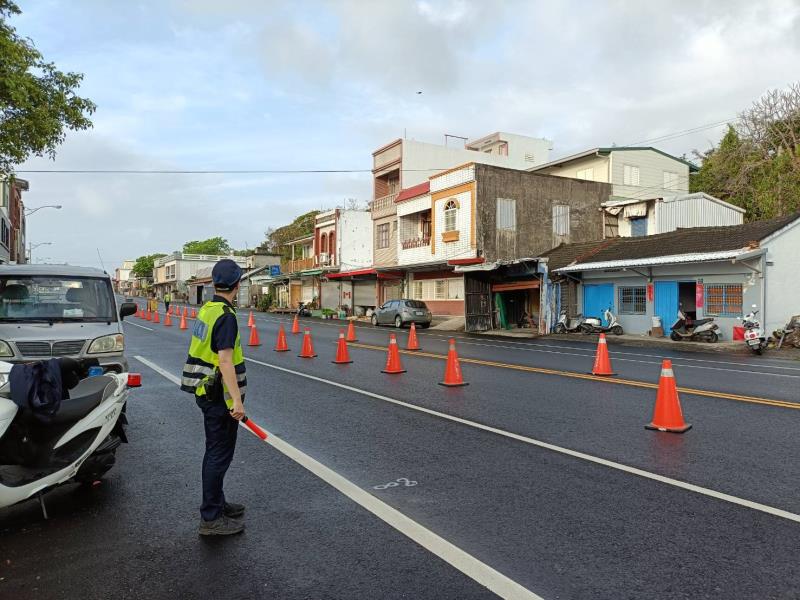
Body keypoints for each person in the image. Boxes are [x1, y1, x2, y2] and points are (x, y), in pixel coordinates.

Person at [181, 259, 248, 536]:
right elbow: (224, 361)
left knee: (215, 452)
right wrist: (236, 401)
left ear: (212, 284)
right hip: (218, 395)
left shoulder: (208, 310)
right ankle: (210, 517)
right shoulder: (226, 316)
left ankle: (218, 503)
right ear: (237, 285)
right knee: (218, 455)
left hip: (204, 390)